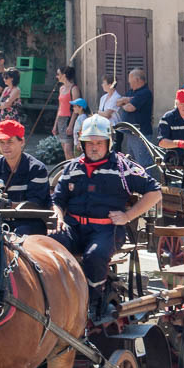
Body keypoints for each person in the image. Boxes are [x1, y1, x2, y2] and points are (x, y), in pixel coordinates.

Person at [50, 115, 162, 320]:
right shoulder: (72, 168)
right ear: (82, 143)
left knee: (95, 256)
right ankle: (53, 300)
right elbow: (58, 199)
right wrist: (57, 216)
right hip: (74, 228)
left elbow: (155, 192)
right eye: (89, 143)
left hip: (106, 230)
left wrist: (128, 216)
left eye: (99, 143)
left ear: (108, 143)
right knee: (48, 245)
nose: (94, 147)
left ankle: (93, 303)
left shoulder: (122, 168)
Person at [0, 119, 50, 236]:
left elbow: (36, 203)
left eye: (10, 142)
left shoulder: (36, 169)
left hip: (29, 224)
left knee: (18, 235)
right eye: (1, 142)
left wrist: (9, 204)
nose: (5, 147)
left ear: (22, 142)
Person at [117, 68, 156, 170]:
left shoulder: (144, 93)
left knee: (143, 163)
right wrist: (125, 100)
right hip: (131, 134)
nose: (129, 82)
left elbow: (130, 108)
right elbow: (118, 102)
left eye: (131, 80)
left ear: (138, 80)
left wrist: (124, 103)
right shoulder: (132, 92)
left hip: (141, 134)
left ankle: (145, 184)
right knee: (130, 162)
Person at [53, 66, 80, 159]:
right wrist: (55, 125)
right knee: (64, 148)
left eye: (58, 74)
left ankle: (73, 169)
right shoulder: (61, 88)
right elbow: (60, 106)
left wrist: (71, 125)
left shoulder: (74, 88)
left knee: (68, 149)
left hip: (68, 119)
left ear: (64, 75)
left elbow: (76, 109)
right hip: (61, 119)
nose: (57, 76)